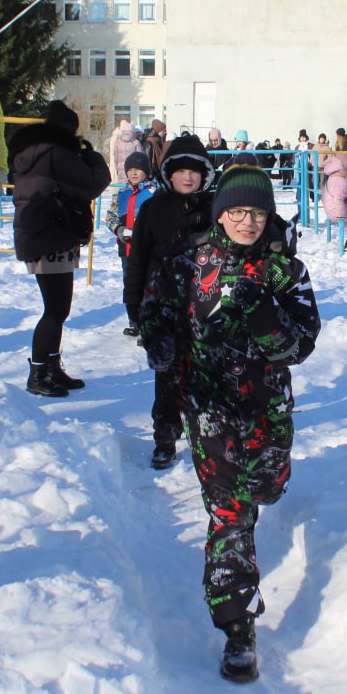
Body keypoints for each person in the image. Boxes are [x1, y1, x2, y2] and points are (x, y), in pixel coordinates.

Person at [139, 166, 321, 683]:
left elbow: (301, 346)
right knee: (229, 514)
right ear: (220, 215)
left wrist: (262, 314)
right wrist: (159, 341)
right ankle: (238, 629)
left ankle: (269, 482)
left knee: (266, 489)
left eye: (257, 212)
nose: (247, 222)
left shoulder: (286, 272)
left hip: (267, 410)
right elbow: (155, 309)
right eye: (237, 212)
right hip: (208, 409)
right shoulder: (187, 265)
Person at [124, 135, 215, 469]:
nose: (188, 177)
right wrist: (133, 301)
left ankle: (206, 435)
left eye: (195, 171)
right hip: (162, 306)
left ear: (205, 174)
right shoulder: (153, 208)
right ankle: (165, 434)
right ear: (168, 174)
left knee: (205, 374)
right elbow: (138, 259)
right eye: (180, 171)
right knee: (166, 375)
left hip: (207, 307)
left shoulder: (215, 208)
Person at [10, 99, 110, 397]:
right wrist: (90, 156)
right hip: (51, 235)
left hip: (41, 235)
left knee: (57, 308)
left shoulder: (31, 152)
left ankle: (51, 368)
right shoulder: (57, 153)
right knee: (55, 309)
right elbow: (95, 183)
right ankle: (39, 373)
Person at [105, 151, 158, 335]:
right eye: (131, 170)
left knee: (148, 284)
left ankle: (149, 324)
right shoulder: (122, 194)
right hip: (126, 248)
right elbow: (110, 217)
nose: (134, 173)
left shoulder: (154, 192)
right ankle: (134, 321)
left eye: (139, 170)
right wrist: (118, 230)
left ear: (146, 171)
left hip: (149, 249)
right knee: (131, 283)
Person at [109, 118, 142, 182]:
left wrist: (118, 168)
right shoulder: (136, 142)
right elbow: (140, 158)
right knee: (133, 189)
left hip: (121, 172)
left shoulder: (118, 143)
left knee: (122, 189)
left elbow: (115, 158)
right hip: (134, 172)